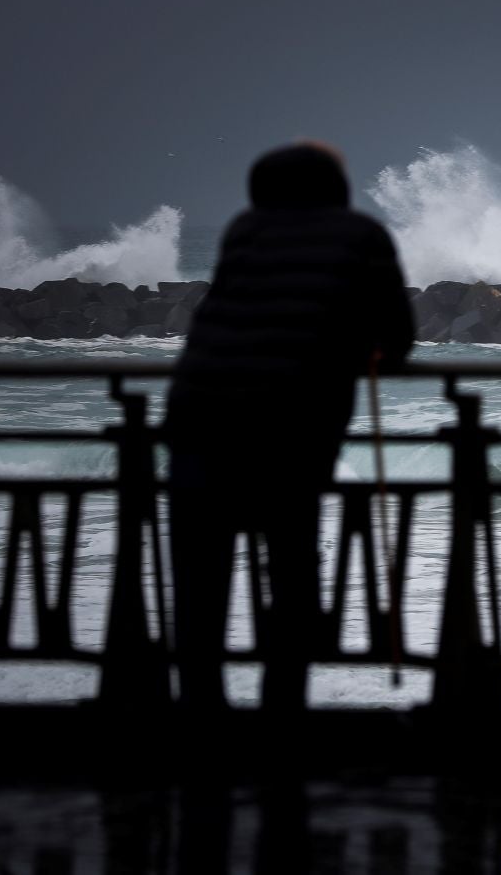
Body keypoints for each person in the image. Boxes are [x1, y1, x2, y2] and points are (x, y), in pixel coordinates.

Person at [164, 142, 415, 711]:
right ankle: (282, 714)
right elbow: (397, 338)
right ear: (336, 187)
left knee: (200, 584)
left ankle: (201, 717)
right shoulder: (362, 235)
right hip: (290, 425)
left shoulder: (244, 230)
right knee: (291, 576)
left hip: (198, 417)